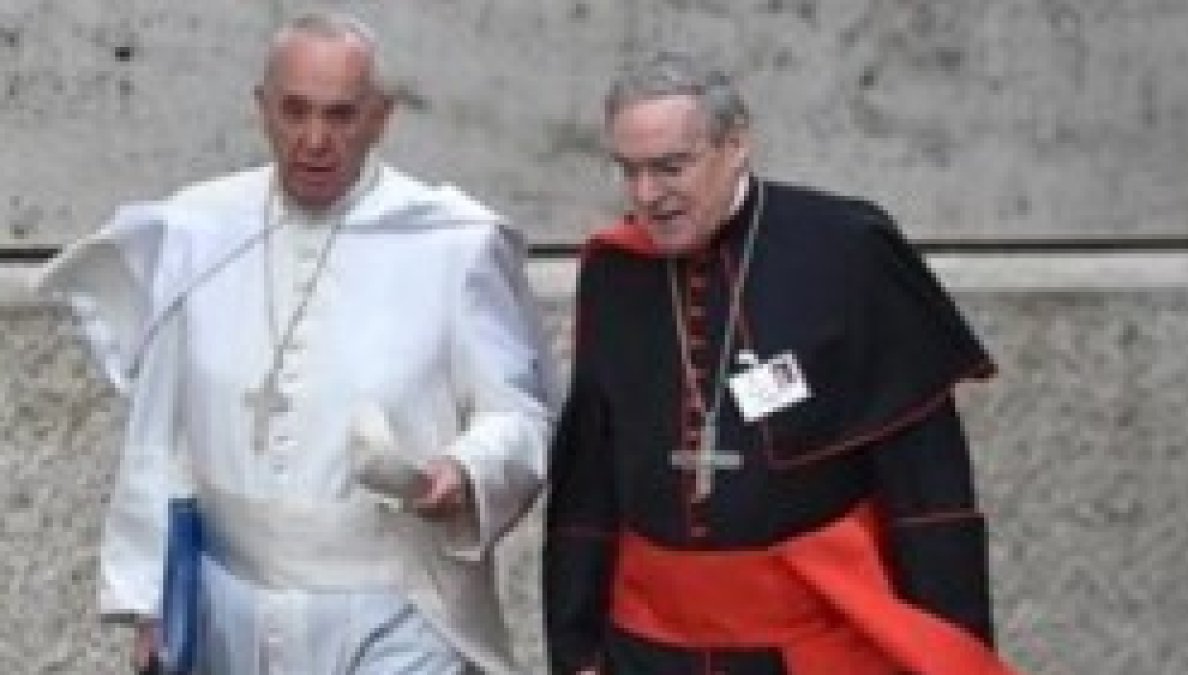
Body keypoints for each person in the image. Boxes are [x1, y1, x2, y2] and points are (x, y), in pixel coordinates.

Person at [37, 11, 554, 675]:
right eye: (295, 111)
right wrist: (150, 599)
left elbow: (519, 414)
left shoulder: (454, 242)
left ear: (381, 117)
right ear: (261, 109)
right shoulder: (200, 227)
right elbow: (156, 435)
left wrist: (467, 468)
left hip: (398, 608)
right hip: (227, 607)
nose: (315, 139)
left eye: (342, 115)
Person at [543, 52, 1022, 674]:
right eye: (628, 172)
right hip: (648, 651)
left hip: (811, 648)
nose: (647, 197)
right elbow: (587, 485)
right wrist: (575, 650)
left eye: (670, 168)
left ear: (735, 144)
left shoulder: (847, 248)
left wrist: (950, 653)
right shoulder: (614, 271)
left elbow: (928, 491)